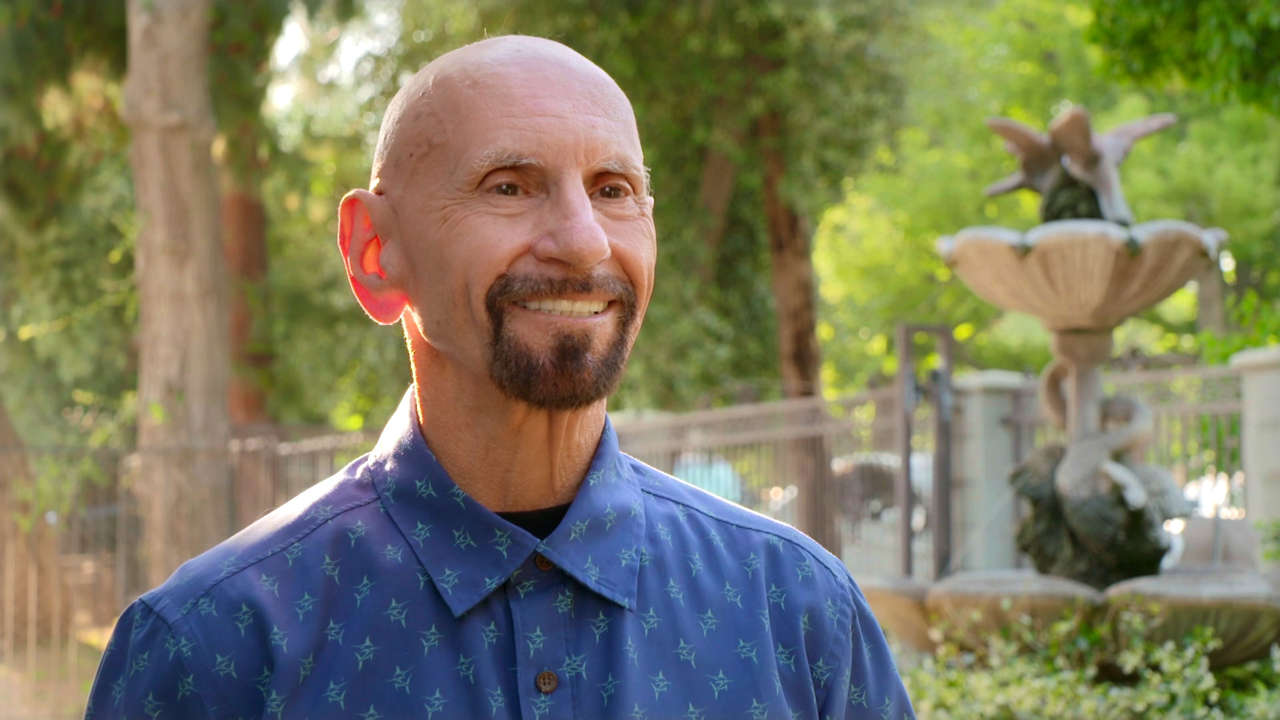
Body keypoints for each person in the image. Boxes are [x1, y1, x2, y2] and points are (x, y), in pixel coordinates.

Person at [86, 35, 915, 719]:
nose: (584, 242)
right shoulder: (213, 650)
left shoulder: (798, 612)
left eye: (613, 189)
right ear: (375, 253)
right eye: (509, 186)